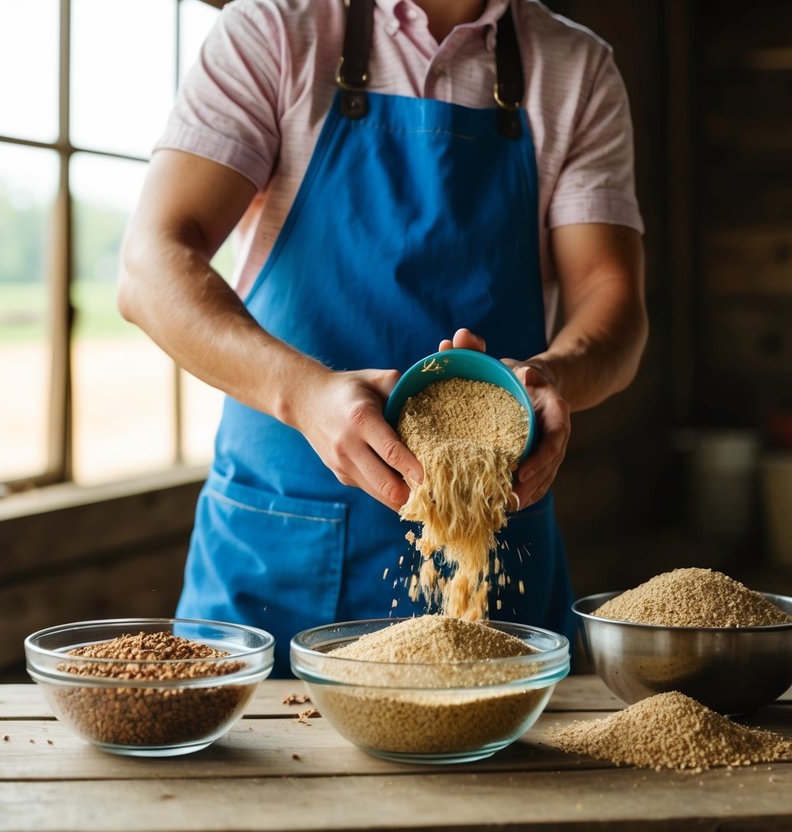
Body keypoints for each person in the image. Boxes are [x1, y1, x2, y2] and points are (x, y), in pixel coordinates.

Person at [118, 0, 647, 674]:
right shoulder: (278, 29)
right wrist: (306, 394)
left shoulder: (575, 67)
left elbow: (614, 303)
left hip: (487, 524)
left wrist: (555, 377)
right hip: (282, 537)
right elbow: (148, 265)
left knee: (510, 771)